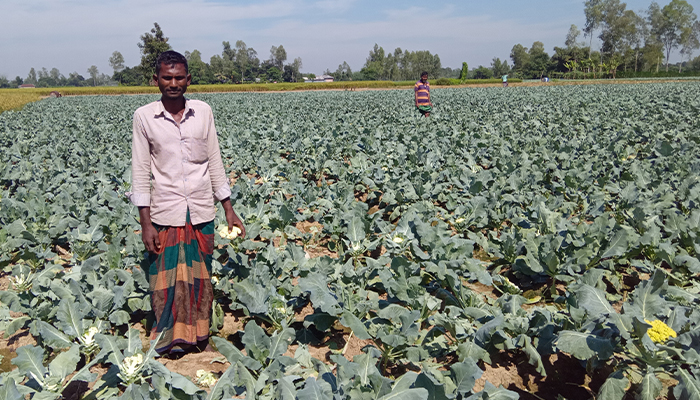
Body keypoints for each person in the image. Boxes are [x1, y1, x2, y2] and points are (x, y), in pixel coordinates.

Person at [127, 50, 246, 355]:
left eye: (179, 77)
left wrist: (228, 209)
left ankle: (200, 337)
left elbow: (215, 162)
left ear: (189, 80)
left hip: (201, 209)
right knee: (165, 279)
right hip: (165, 211)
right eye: (167, 77)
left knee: (201, 275)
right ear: (156, 80)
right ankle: (167, 339)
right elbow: (140, 172)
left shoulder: (203, 112)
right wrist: (146, 223)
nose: (173, 83)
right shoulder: (144, 117)